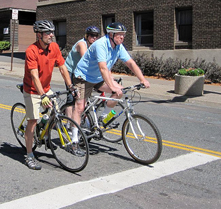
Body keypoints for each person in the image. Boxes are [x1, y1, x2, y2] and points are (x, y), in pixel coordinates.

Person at [71, 22, 150, 134]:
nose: (122, 37)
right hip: (83, 77)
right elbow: (103, 68)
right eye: (119, 34)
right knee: (80, 107)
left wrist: (142, 79)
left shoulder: (118, 47)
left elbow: (130, 63)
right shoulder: (101, 44)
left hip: (98, 77)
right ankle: (73, 139)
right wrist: (112, 85)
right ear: (111, 35)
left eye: (123, 34)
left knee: (119, 92)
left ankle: (103, 117)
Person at [23, 20, 76, 170]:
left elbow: (63, 68)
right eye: (48, 33)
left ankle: (45, 131)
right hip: (33, 90)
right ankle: (29, 155)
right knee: (32, 121)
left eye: (52, 32)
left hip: (46, 88)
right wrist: (42, 95)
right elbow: (34, 75)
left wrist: (71, 86)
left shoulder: (54, 47)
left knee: (56, 113)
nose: (52, 35)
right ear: (39, 35)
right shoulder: (31, 51)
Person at [64, 26, 100, 118]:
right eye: (92, 35)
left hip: (80, 73)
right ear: (87, 36)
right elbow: (87, 60)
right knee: (72, 97)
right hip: (70, 71)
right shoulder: (82, 44)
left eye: (96, 36)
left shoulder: (94, 46)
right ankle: (69, 123)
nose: (94, 38)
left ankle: (79, 119)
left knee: (83, 97)